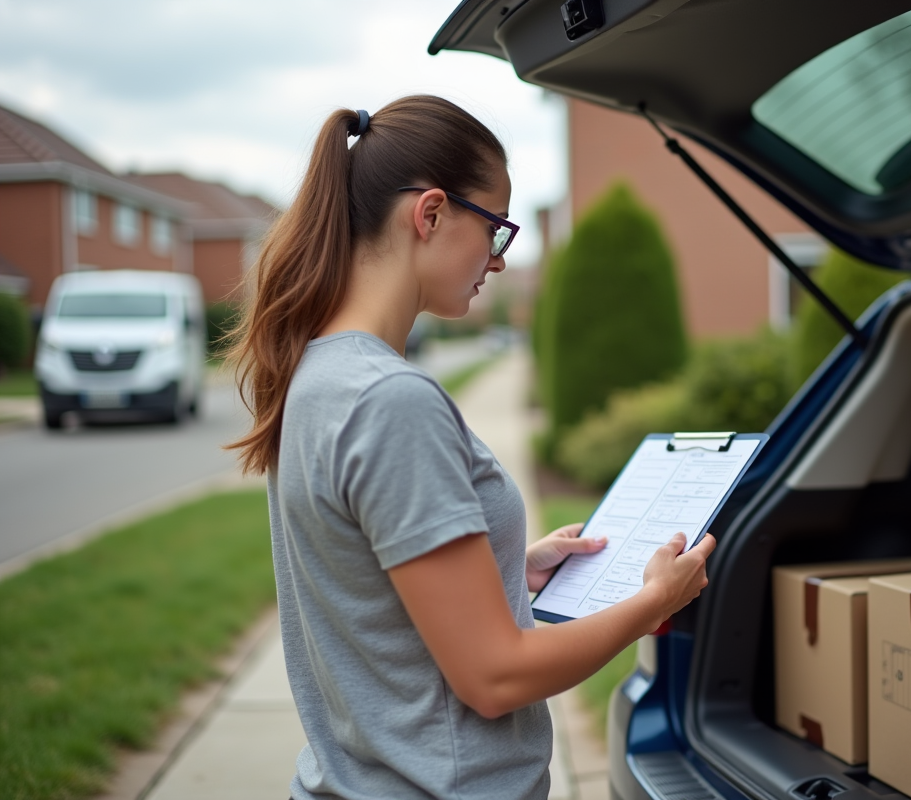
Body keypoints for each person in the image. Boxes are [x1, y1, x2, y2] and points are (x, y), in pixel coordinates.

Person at [226, 95, 715, 800]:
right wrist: (652, 601)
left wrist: (504, 567)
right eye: (496, 229)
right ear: (429, 214)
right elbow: (495, 677)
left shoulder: (319, 374)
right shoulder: (391, 401)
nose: (496, 258)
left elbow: (361, 581)